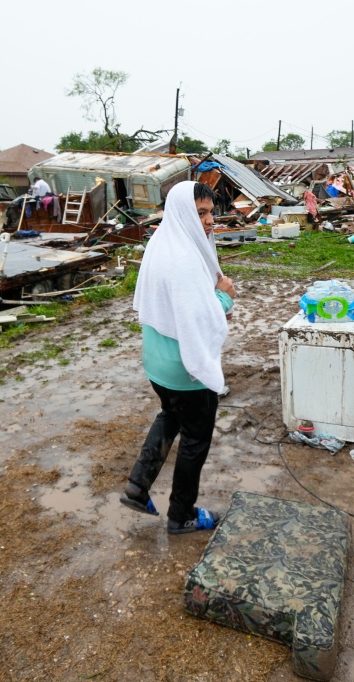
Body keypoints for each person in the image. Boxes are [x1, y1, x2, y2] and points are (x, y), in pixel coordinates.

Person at [120, 181, 236, 534]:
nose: (209, 221)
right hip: (185, 367)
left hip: (157, 362)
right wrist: (226, 297)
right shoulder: (184, 259)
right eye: (200, 213)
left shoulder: (161, 242)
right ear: (182, 212)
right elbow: (198, 319)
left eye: (211, 213)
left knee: (170, 414)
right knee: (195, 438)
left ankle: (138, 486)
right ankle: (181, 515)